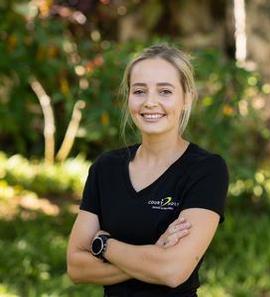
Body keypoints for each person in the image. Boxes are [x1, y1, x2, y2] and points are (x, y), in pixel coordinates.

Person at [67, 43, 229, 297]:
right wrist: (154, 254)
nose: (150, 102)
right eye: (139, 91)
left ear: (186, 98)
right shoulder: (106, 168)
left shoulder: (206, 170)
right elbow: (77, 267)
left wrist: (103, 245)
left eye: (165, 91)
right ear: (129, 97)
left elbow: (173, 271)